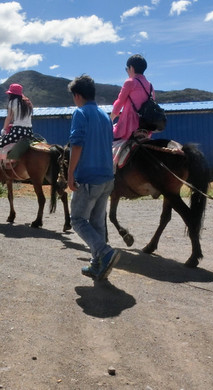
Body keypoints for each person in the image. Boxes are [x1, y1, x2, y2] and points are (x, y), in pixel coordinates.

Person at [67, 75, 120, 280]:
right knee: (97, 223)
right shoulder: (104, 115)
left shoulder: (80, 113)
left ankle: (105, 253)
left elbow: (77, 144)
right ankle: (97, 265)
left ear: (77, 95)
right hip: (107, 177)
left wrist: (71, 173)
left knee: (78, 220)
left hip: (88, 177)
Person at [0, 83, 33, 181]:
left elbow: (9, 117)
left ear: (12, 94)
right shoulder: (28, 103)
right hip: (29, 133)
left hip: (17, 132)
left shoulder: (13, 103)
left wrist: (4, 129)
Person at [111, 54, 155, 141]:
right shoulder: (150, 85)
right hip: (145, 127)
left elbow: (119, 103)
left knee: (107, 138)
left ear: (131, 68)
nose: (127, 71)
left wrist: (110, 120)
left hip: (129, 126)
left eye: (126, 69)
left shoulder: (130, 82)